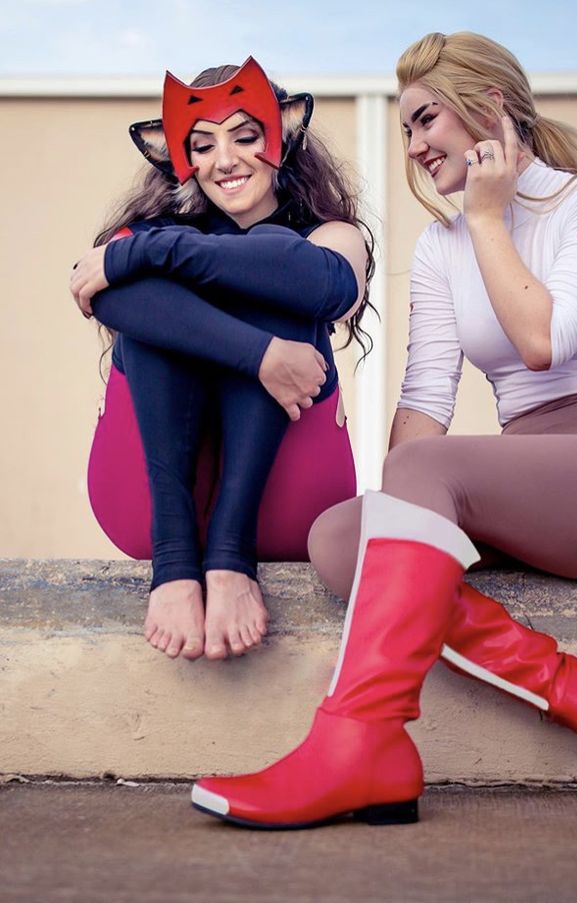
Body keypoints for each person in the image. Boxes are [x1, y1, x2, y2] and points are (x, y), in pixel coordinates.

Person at [189, 32, 577, 828]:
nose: (415, 145)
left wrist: (489, 217)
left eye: (426, 120)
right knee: (339, 539)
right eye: (405, 130)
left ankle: (357, 743)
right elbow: (424, 399)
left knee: (424, 472)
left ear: (488, 108)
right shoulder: (440, 246)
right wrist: (399, 522)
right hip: (531, 485)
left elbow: (542, 340)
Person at [70, 58, 373, 662]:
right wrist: (261, 356)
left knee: (275, 260)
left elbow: (326, 286)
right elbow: (104, 292)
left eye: (245, 135)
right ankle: (179, 562)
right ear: (180, 158)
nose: (225, 160)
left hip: (286, 508)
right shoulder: (147, 236)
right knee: (156, 305)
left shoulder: (334, 232)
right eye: (202, 145)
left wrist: (154, 251)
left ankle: (230, 556)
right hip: (147, 508)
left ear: (283, 134)